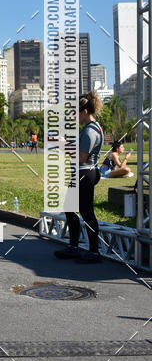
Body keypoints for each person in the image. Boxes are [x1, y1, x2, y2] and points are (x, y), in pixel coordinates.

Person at [55, 91, 104, 263]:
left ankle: (93, 251)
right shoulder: (92, 128)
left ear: (84, 111)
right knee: (70, 207)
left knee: (86, 211)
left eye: (76, 112)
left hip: (85, 173)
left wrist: (63, 145)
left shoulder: (90, 131)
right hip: (84, 173)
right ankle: (74, 246)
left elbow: (82, 157)